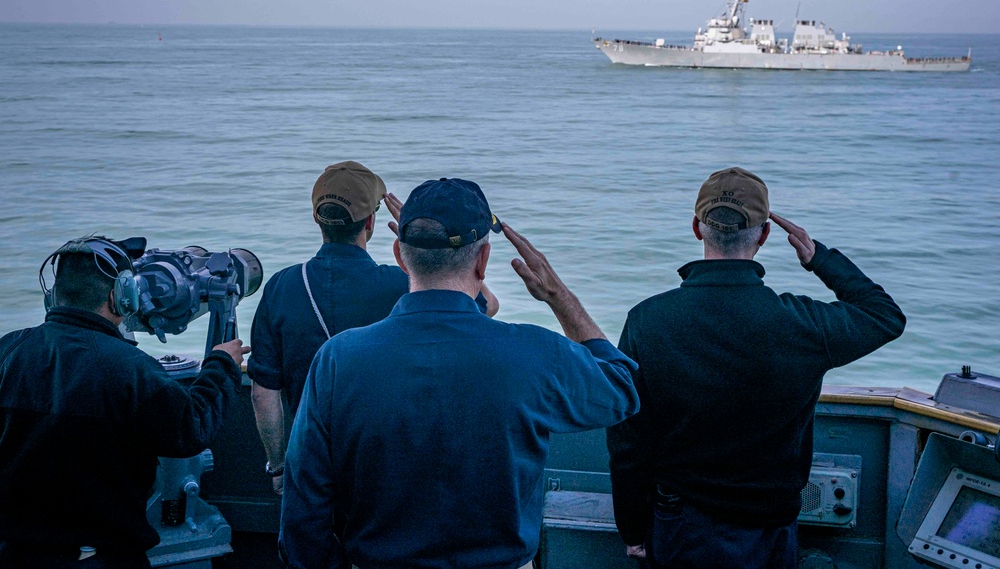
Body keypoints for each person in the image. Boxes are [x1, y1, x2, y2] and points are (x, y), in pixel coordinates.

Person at [278, 177, 640, 569]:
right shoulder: (533, 353)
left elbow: (303, 510)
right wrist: (558, 296)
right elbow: (620, 389)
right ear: (483, 260)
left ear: (400, 256)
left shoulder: (338, 359)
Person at [607, 167, 906, 568]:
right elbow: (884, 316)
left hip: (681, 526)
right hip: (771, 529)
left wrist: (631, 528)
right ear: (764, 236)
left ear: (697, 227)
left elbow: (629, 442)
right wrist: (819, 258)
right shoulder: (804, 324)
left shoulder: (648, 320)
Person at [249, 162, 499, 495]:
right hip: (389, 469)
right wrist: (415, 241)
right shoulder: (400, 285)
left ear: (316, 218)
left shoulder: (282, 286)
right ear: (370, 223)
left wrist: (279, 468)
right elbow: (485, 306)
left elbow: (263, 395)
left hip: (311, 466)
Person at [0, 236, 249, 569]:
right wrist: (221, 365)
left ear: (53, 295)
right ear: (121, 296)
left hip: (15, 554)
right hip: (102, 557)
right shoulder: (131, 369)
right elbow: (192, 429)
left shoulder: (9, 350)